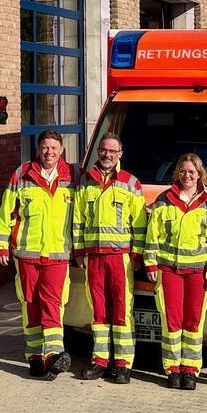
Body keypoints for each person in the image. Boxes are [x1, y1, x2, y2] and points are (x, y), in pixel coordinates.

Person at [0, 129, 76, 379]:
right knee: (30, 303)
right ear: (38, 149)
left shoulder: (73, 177)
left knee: (53, 303)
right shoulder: (22, 174)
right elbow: (6, 212)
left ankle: (54, 354)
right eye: (45, 147)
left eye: (54, 148)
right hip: (26, 254)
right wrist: (1, 245)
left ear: (61, 150)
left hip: (57, 255)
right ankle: (34, 357)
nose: (49, 152)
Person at [142, 152, 207, 390]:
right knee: (171, 321)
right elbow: (153, 234)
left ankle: (190, 370)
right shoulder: (164, 199)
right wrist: (150, 263)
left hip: (197, 272)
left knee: (194, 322)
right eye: (183, 171)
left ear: (200, 175)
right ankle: (172, 369)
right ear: (177, 173)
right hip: (169, 270)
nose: (187, 175)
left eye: (192, 172)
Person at [72, 133, 147, 383]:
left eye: (112, 152)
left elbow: (139, 224)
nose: (107, 155)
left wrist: (137, 255)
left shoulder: (131, 183)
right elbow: (78, 220)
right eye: (103, 150)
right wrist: (79, 251)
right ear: (98, 152)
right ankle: (100, 360)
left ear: (120, 155)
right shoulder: (85, 181)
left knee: (122, 312)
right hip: (94, 257)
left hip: (120, 258)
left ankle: (123, 364)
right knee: (98, 311)